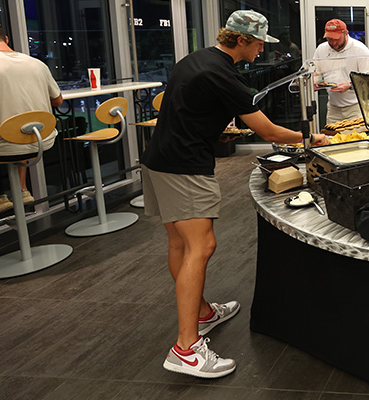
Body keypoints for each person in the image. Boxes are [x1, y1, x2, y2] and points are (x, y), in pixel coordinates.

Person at [141, 10, 329, 379]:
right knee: (202, 246)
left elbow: (190, 107)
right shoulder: (223, 74)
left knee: (180, 244)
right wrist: (311, 138)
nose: (262, 49)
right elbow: (270, 132)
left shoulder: (196, 59)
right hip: (185, 166)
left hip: (158, 159)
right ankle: (186, 349)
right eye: (259, 42)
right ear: (241, 40)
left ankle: (202, 313)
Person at [0, 17, 63, 218]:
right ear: (7, 39)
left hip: (0, 147)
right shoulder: (37, 64)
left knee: (6, 128)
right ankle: (21, 189)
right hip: (39, 141)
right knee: (21, 123)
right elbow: (58, 101)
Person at [313, 19, 369, 125]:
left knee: (356, 140)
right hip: (333, 107)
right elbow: (316, 72)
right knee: (333, 139)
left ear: (346, 33)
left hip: (356, 107)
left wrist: (350, 85)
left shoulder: (360, 50)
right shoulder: (321, 49)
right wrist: (315, 81)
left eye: (337, 39)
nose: (334, 43)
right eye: (330, 39)